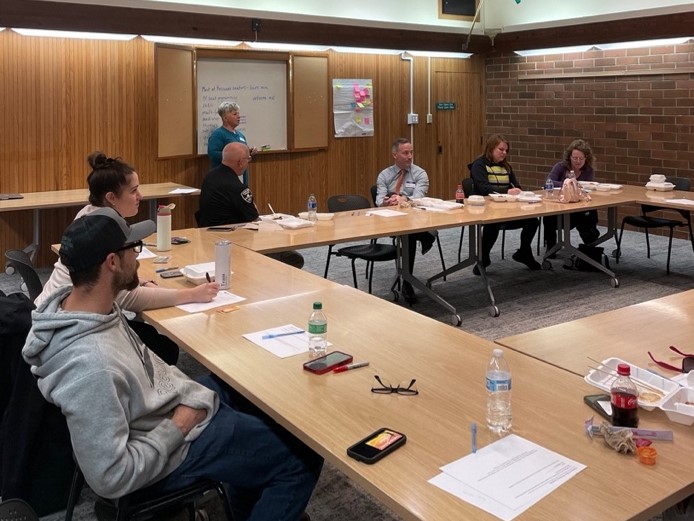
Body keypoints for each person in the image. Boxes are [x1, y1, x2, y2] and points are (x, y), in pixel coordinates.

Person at [22, 208, 323, 520]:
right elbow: (111, 478)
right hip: (165, 448)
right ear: (112, 262)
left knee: (246, 388)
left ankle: (248, 500)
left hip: (162, 410)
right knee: (302, 457)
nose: (138, 257)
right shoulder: (91, 365)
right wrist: (181, 422)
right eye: (133, 249)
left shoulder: (87, 307)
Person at [35, 152, 219, 365]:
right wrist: (190, 294)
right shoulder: (102, 232)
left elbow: (117, 286)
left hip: (57, 315)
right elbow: (128, 298)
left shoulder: (92, 217)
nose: (140, 196)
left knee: (157, 342)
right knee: (163, 348)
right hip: (71, 327)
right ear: (111, 197)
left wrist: (138, 282)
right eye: (133, 191)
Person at [198, 142, 305, 269]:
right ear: (241, 162)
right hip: (234, 242)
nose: (248, 163)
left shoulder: (210, 177)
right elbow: (254, 218)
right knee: (293, 258)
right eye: (248, 159)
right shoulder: (237, 187)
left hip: (208, 238)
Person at [469, 134, 541, 273]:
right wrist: (507, 192)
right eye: (501, 149)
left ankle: (524, 252)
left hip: (508, 208)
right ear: (491, 149)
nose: (504, 153)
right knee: (493, 223)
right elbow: (484, 188)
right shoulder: (479, 165)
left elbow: (516, 185)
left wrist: (517, 190)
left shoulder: (506, 167)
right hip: (486, 209)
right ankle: (483, 259)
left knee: (532, 221)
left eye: (506, 150)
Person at [375, 138, 436, 304]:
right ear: (395, 155)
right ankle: (427, 237)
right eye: (405, 153)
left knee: (409, 234)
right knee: (412, 234)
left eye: (411, 152)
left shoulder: (420, 173)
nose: (410, 156)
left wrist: (404, 198)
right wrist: (385, 202)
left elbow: (419, 196)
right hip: (390, 218)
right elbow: (379, 198)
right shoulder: (385, 175)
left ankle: (407, 282)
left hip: (414, 216)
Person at [543, 139, 600, 255]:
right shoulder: (560, 167)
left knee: (591, 212)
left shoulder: (588, 170)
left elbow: (586, 188)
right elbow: (548, 183)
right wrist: (567, 184)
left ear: (586, 158)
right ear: (569, 157)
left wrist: (576, 187)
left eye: (581, 158)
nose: (578, 161)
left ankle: (590, 243)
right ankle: (551, 246)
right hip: (559, 206)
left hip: (578, 207)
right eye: (575, 158)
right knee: (548, 216)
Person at [207, 101, 257, 185]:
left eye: (238, 114)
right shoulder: (218, 134)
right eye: (234, 114)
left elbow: (242, 155)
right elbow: (213, 154)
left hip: (241, 178)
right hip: (225, 179)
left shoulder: (240, 135)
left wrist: (249, 152)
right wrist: (233, 157)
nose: (238, 116)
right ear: (225, 118)